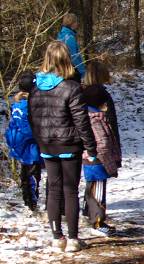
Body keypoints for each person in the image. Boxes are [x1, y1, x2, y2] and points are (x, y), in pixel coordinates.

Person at [28, 40, 97, 252]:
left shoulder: (34, 89)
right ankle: (73, 238)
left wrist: (41, 141)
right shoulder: (72, 87)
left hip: (47, 146)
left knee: (54, 190)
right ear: (66, 59)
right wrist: (91, 148)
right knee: (69, 191)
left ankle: (57, 237)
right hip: (69, 145)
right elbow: (81, 121)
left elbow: (32, 120)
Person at [81, 85, 121, 237]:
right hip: (96, 162)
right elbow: (102, 144)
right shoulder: (95, 119)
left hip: (92, 161)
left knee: (94, 191)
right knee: (97, 194)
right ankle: (97, 223)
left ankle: (94, 218)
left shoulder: (89, 116)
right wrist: (110, 163)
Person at [5, 71, 42, 211]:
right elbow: (28, 129)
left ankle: (29, 201)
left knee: (25, 174)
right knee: (32, 175)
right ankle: (32, 203)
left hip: (19, 144)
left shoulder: (16, 105)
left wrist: (12, 142)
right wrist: (41, 136)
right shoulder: (29, 106)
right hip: (29, 147)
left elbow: (12, 126)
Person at [83, 60, 122, 167]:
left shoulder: (81, 94)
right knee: (99, 177)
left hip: (86, 143)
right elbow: (111, 120)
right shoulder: (102, 94)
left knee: (92, 175)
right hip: (102, 143)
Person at [57, 13, 86, 82]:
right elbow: (74, 57)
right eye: (76, 21)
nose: (77, 24)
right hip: (71, 71)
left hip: (61, 71)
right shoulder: (69, 38)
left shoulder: (60, 36)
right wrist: (83, 72)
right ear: (72, 23)